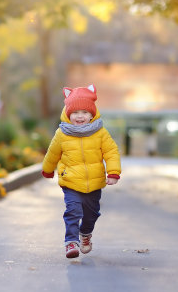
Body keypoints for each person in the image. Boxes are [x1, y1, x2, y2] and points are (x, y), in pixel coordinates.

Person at [41, 84, 121, 258]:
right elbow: (52, 153)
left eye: (84, 112)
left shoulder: (100, 133)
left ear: (92, 114)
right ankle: (71, 242)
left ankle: (85, 234)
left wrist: (113, 172)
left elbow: (111, 151)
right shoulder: (62, 133)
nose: (80, 116)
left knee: (91, 214)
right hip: (70, 181)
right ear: (68, 114)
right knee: (73, 210)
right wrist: (47, 170)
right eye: (75, 112)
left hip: (94, 181)